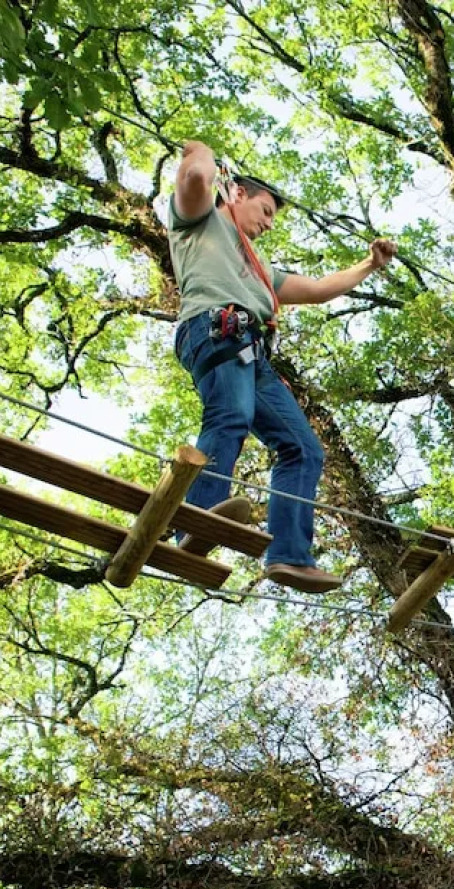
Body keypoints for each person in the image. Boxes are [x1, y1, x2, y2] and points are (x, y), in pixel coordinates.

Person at [167, 140, 397, 593]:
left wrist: (369, 264)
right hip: (215, 331)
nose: (270, 224)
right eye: (266, 210)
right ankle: (195, 520)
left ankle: (289, 555)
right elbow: (195, 178)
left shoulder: (260, 268)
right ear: (236, 193)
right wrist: (206, 153)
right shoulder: (198, 222)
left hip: (253, 354)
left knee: (303, 449)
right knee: (229, 416)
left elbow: (316, 289)